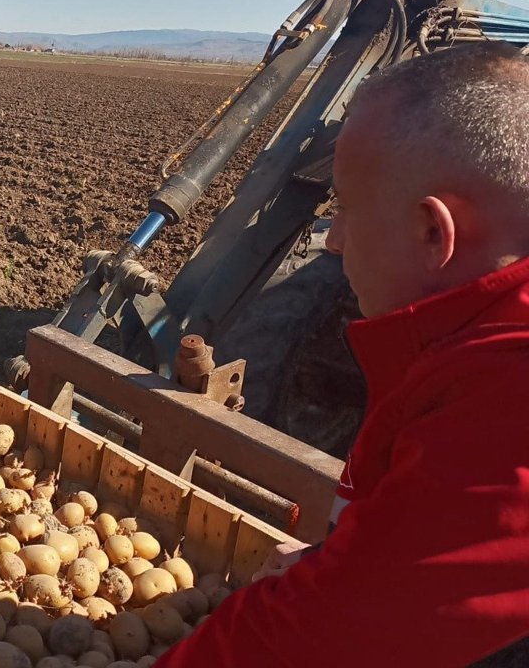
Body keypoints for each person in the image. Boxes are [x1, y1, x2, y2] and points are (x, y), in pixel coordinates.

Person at [156, 42, 529, 667]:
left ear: (433, 232)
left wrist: (343, 587)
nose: (333, 240)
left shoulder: (507, 407)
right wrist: (351, 562)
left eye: (346, 210)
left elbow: (311, 645)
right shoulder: (475, 353)